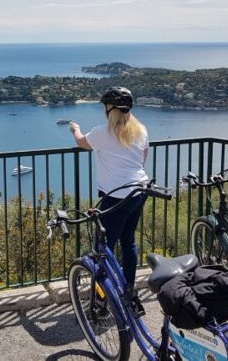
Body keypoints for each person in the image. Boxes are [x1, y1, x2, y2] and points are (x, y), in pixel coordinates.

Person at [68, 86, 149, 315]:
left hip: (115, 197)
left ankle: (101, 303)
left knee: (101, 250)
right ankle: (129, 293)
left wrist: (75, 129)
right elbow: (142, 160)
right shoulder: (141, 131)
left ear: (110, 110)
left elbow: (81, 142)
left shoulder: (102, 133)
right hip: (138, 192)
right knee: (128, 242)